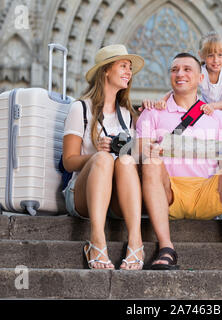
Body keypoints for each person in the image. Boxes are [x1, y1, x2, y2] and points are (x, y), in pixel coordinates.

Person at [136, 52, 222, 270]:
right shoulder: (153, 112)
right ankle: (166, 247)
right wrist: (151, 149)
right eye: (174, 70)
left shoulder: (216, 117)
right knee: (151, 162)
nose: (180, 74)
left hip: (207, 192)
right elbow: (140, 152)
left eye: (187, 69)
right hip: (169, 192)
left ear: (201, 78)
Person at [62, 44, 145, 270]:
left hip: (117, 196)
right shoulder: (80, 108)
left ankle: (136, 241)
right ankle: (97, 240)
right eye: (123, 66)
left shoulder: (128, 115)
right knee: (103, 159)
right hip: (82, 193)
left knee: (126, 161)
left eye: (130, 67)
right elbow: (68, 161)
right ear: (106, 71)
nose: (129, 72)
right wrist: (96, 154)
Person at [142, 31, 222, 141]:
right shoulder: (201, 71)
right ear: (201, 55)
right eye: (210, 55)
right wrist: (162, 100)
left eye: (220, 55)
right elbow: (178, 86)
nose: (215, 60)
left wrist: (212, 107)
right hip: (207, 109)